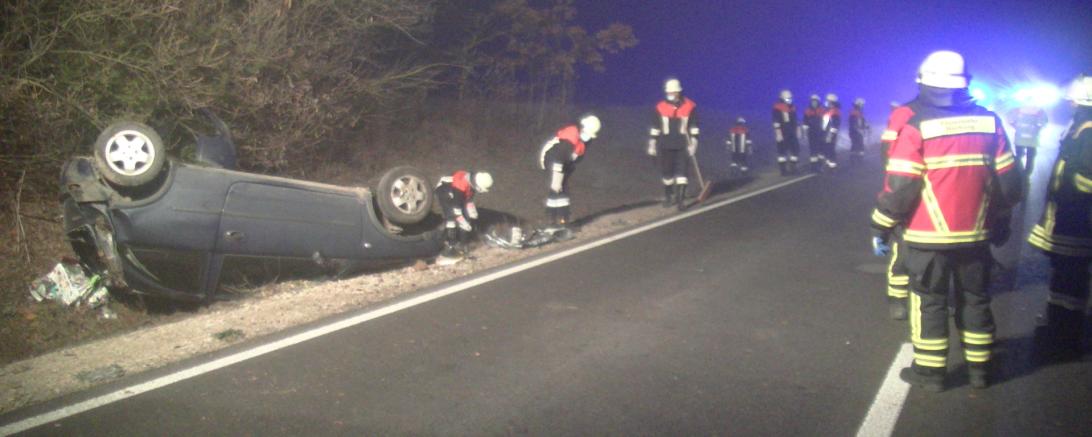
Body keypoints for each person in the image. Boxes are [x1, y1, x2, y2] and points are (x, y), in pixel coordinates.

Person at [870, 50, 1023, 391]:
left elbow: (900, 189)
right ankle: (980, 370)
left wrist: (880, 224)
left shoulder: (915, 127)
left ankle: (930, 374)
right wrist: (999, 218)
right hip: (976, 237)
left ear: (922, 83)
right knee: (976, 299)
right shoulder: (990, 122)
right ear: (965, 83)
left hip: (927, 238)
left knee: (930, 302)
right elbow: (1011, 185)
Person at [1027, 74, 1092, 361]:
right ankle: (1058, 327)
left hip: (1077, 219)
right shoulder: (1081, 127)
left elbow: (1085, 177)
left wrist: (1068, 192)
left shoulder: (1088, 131)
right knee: (1064, 276)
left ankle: (1066, 337)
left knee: (1071, 280)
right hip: (1070, 218)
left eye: (1073, 99)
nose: (1069, 103)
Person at [540, 113, 601, 238]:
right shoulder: (570, 136)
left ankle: (563, 220)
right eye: (588, 133)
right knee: (556, 189)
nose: (589, 137)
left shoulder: (584, 139)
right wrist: (556, 179)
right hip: (552, 160)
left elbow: (574, 155)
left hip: (564, 163)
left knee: (563, 190)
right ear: (584, 128)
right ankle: (551, 221)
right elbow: (558, 158)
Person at [648, 78, 700, 210]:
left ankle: (680, 200)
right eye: (668, 92)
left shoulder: (690, 106)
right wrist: (652, 143)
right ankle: (668, 196)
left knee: (682, 173)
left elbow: (694, 126)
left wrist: (694, 142)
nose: (670, 94)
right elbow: (655, 127)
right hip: (665, 145)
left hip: (683, 145)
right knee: (667, 174)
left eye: (672, 92)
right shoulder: (660, 107)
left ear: (678, 92)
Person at [435, 170, 493, 266]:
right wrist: (462, 221)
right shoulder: (460, 187)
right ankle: (451, 247)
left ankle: (464, 246)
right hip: (446, 192)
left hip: (456, 191)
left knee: (466, 218)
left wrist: (469, 205)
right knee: (451, 219)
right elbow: (456, 208)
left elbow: (469, 194)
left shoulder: (472, 181)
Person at [1006, 104, 1048, 177]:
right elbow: (1044, 122)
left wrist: (1015, 126)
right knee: (1030, 157)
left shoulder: (1018, 110)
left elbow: (1009, 118)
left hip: (1020, 138)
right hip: (1032, 139)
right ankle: (1027, 173)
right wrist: (1038, 129)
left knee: (1019, 155)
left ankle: (1019, 170)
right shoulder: (1039, 111)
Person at [772, 89, 801, 175]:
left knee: (795, 150)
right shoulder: (777, 107)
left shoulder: (792, 107)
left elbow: (796, 120)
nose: (789, 99)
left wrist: (798, 130)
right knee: (782, 152)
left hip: (792, 133)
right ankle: (783, 170)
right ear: (783, 98)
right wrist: (778, 133)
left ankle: (793, 167)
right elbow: (776, 121)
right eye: (787, 98)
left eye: (790, 98)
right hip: (782, 132)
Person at [803, 94, 826, 171]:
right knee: (813, 150)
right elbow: (805, 123)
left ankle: (820, 165)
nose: (814, 103)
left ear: (818, 102)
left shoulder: (822, 110)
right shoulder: (807, 111)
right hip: (812, 133)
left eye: (815, 101)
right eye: (813, 101)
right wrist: (805, 133)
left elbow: (826, 122)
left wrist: (826, 131)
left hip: (821, 133)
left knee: (821, 150)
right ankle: (813, 167)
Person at [820, 93, 841, 170]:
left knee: (830, 149)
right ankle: (828, 164)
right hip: (826, 133)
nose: (826, 103)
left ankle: (832, 167)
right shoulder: (827, 111)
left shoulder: (835, 112)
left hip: (830, 134)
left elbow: (835, 125)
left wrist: (830, 135)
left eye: (828, 101)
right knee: (826, 149)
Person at [849, 98, 870, 165]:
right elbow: (855, 123)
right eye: (862, 105)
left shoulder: (858, 112)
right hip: (856, 132)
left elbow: (862, 122)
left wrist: (867, 126)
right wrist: (859, 129)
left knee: (856, 146)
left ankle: (855, 160)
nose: (862, 106)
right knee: (859, 146)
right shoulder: (855, 112)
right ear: (859, 105)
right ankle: (857, 160)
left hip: (856, 131)